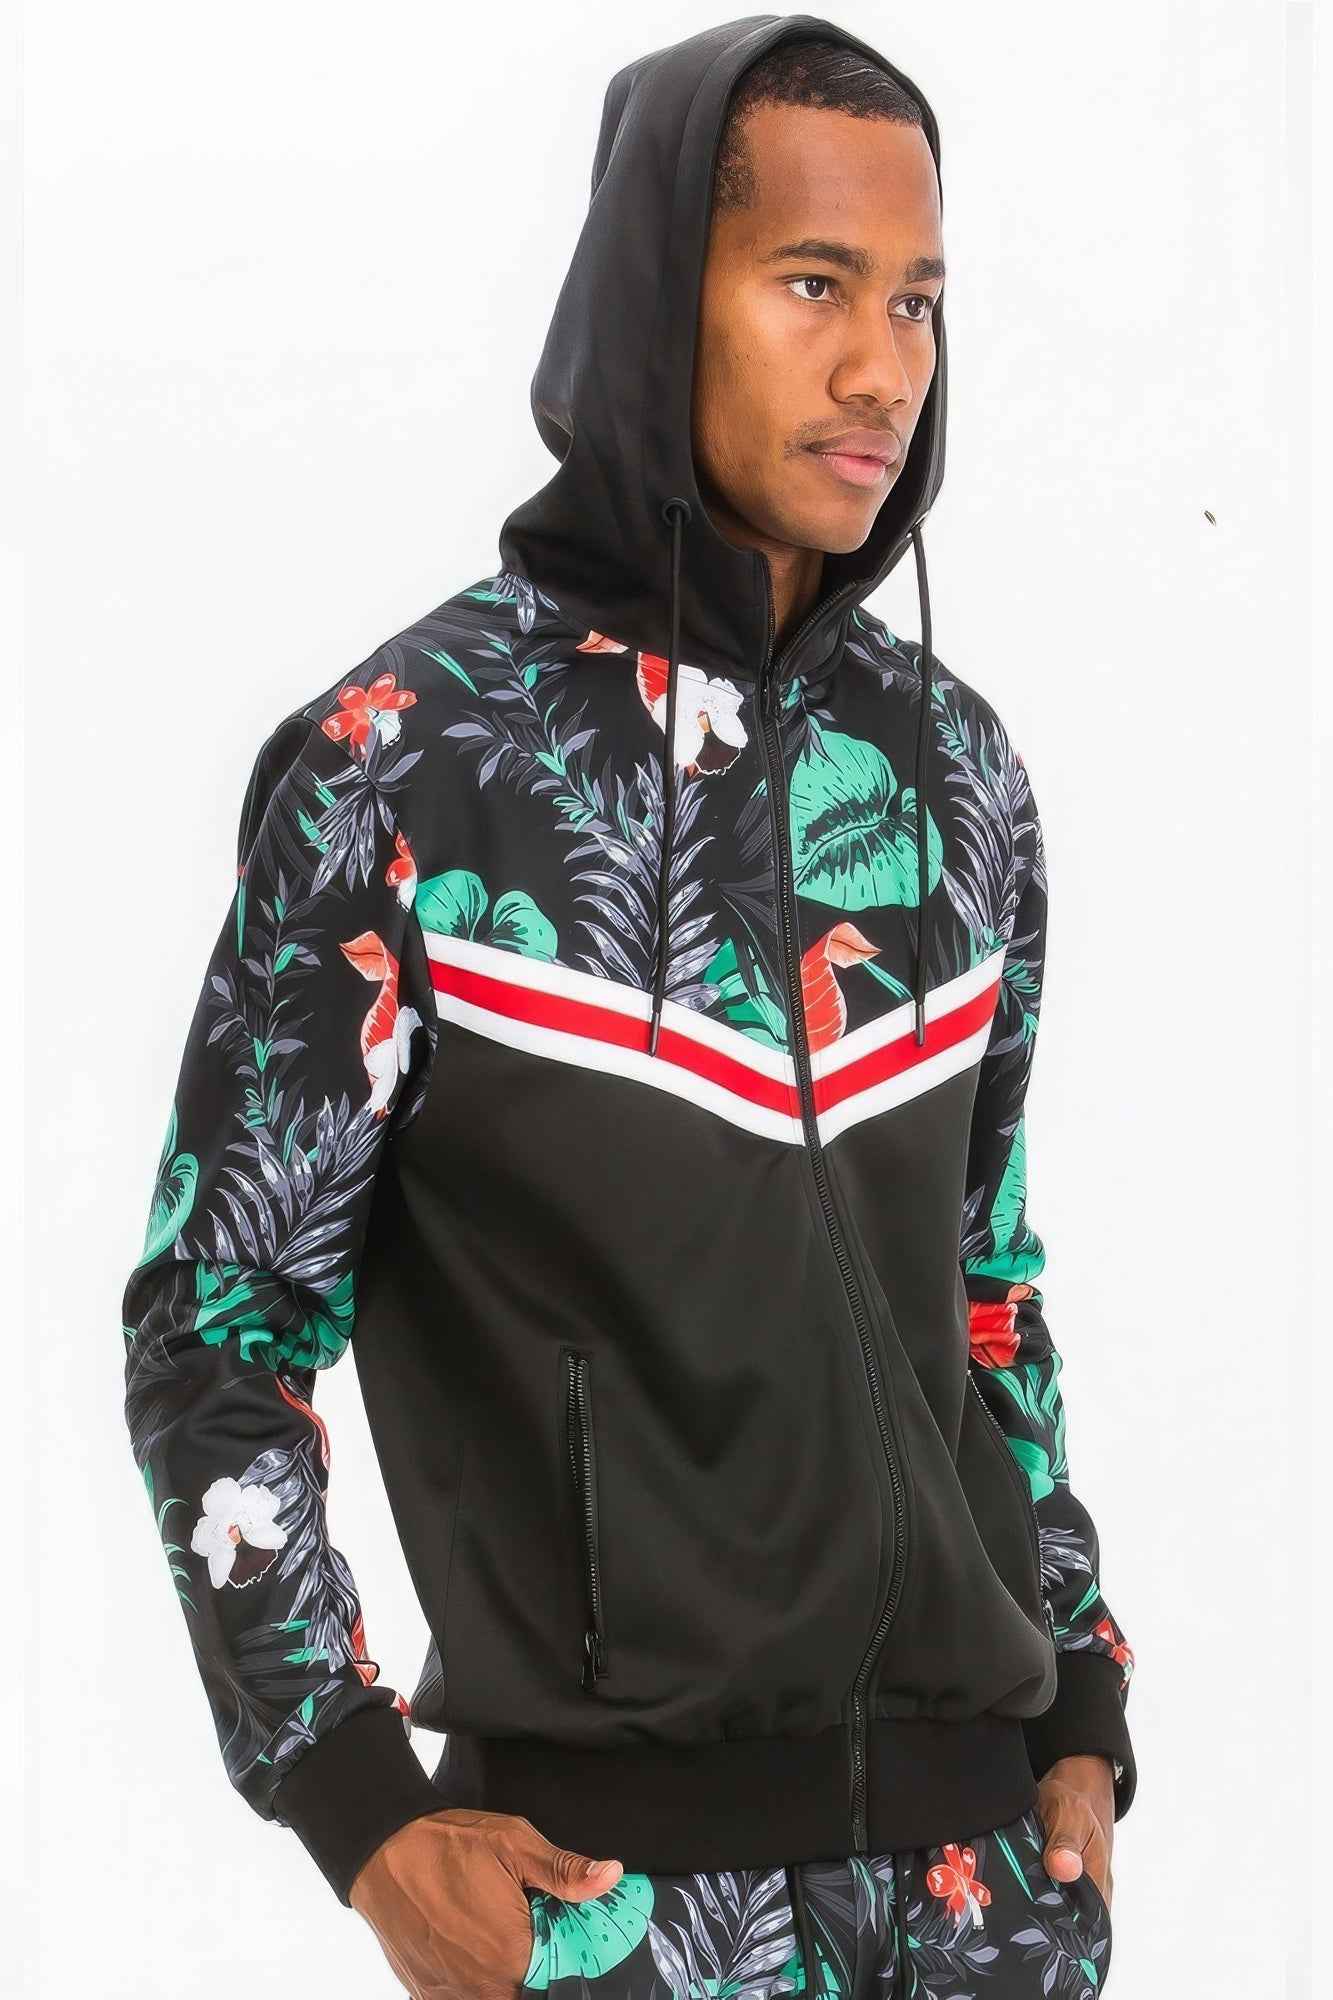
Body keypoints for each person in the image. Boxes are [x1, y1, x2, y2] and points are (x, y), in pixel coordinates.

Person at [120, 15, 1137, 1997]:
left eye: (917, 301)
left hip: (983, 1889)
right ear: (655, 297)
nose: (883, 368)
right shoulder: (406, 768)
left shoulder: (955, 773)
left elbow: (984, 1280)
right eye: (814, 285)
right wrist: (358, 1810)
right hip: (620, 1901)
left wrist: (1082, 1700)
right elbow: (215, 1332)